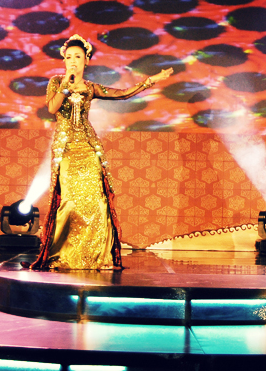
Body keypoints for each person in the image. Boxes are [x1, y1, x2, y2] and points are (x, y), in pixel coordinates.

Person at [27, 34, 173, 270]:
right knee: (71, 202)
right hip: (66, 150)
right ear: (64, 61)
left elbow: (122, 93)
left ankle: (95, 256)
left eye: (78, 57)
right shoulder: (56, 82)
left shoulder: (91, 88)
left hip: (88, 147)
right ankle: (65, 254)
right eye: (69, 57)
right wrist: (66, 84)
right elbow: (53, 108)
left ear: (86, 61)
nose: (73, 61)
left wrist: (150, 81)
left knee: (97, 202)